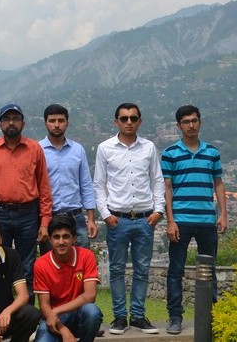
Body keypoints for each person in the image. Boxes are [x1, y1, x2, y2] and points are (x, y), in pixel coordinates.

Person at [93, 102, 164, 335]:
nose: (129, 122)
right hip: (118, 219)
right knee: (116, 270)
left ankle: (139, 317)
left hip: (145, 219)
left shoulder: (149, 147)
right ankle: (120, 317)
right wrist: (105, 215)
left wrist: (158, 211)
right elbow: (99, 184)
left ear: (140, 121)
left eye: (133, 118)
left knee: (142, 270)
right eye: (124, 118)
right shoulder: (105, 148)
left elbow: (157, 180)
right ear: (116, 122)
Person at [162, 105, 227, 335]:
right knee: (175, 270)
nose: (191, 125)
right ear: (179, 125)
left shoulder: (212, 152)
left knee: (209, 269)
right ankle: (175, 317)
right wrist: (170, 221)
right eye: (186, 122)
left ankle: (210, 316)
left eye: (194, 120)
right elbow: (167, 189)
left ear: (200, 122)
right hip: (181, 220)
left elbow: (218, 184)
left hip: (207, 220)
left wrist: (223, 214)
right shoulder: (170, 153)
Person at [0, 103, 52, 301]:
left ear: (23, 123)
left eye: (15, 119)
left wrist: (45, 222)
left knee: (27, 266)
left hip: (28, 214)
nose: (11, 123)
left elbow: (44, 187)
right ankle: (1, 311)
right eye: (7, 119)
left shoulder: (34, 148)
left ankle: (27, 313)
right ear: (0, 124)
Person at [33, 214, 103, 342]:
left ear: (74, 239)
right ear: (50, 240)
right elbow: (44, 306)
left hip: (77, 315)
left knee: (92, 312)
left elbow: (90, 296)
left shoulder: (86, 256)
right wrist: (63, 329)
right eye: (56, 237)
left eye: (66, 236)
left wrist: (56, 311)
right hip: (54, 319)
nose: (61, 242)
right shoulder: (41, 264)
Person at [39, 104, 97, 250]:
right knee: (50, 260)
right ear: (45, 123)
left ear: (67, 123)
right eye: (52, 121)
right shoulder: (37, 150)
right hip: (49, 217)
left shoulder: (77, 150)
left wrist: (91, 219)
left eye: (61, 120)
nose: (56, 125)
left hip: (75, 217)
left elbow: (86, 185)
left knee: (81, 258)